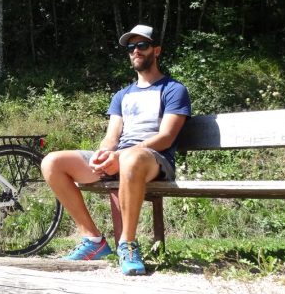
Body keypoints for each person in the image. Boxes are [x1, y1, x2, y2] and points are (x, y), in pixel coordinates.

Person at [40, 24, 191, 275]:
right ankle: (93, 241)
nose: (136, 51)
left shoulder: (174, 89)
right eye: (131, 47)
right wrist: (104, 154)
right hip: (121, 157)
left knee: (131, 158)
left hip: (153, 160)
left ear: (157, 50)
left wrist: (120, 156)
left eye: (142, 45)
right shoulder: (122, 95)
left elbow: (166, 137)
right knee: (52, 162)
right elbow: (112, 136)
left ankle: (128, 244)